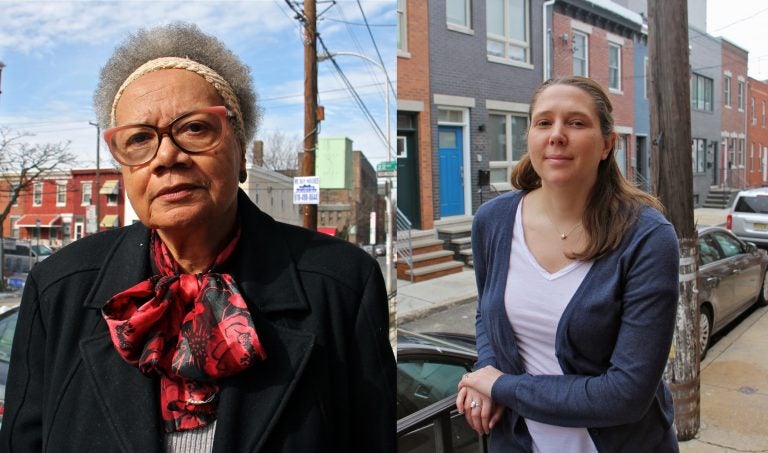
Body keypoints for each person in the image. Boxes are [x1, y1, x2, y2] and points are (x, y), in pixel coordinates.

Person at [0, 22, 395, 452]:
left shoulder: (343, 285)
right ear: (124, 170)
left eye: (195, 129)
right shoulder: (57, 289)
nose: (167, 156)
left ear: (241, 149)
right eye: (138, 139)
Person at [457, 76, 680, 452]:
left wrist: (500, 386)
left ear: (608, 144)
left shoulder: (646, 237)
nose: (557, 135)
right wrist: (485, 371)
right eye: (544, 122)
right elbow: (487, 313)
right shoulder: (493, 221)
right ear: (529, 136)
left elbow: (626, 393)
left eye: (576, 123)